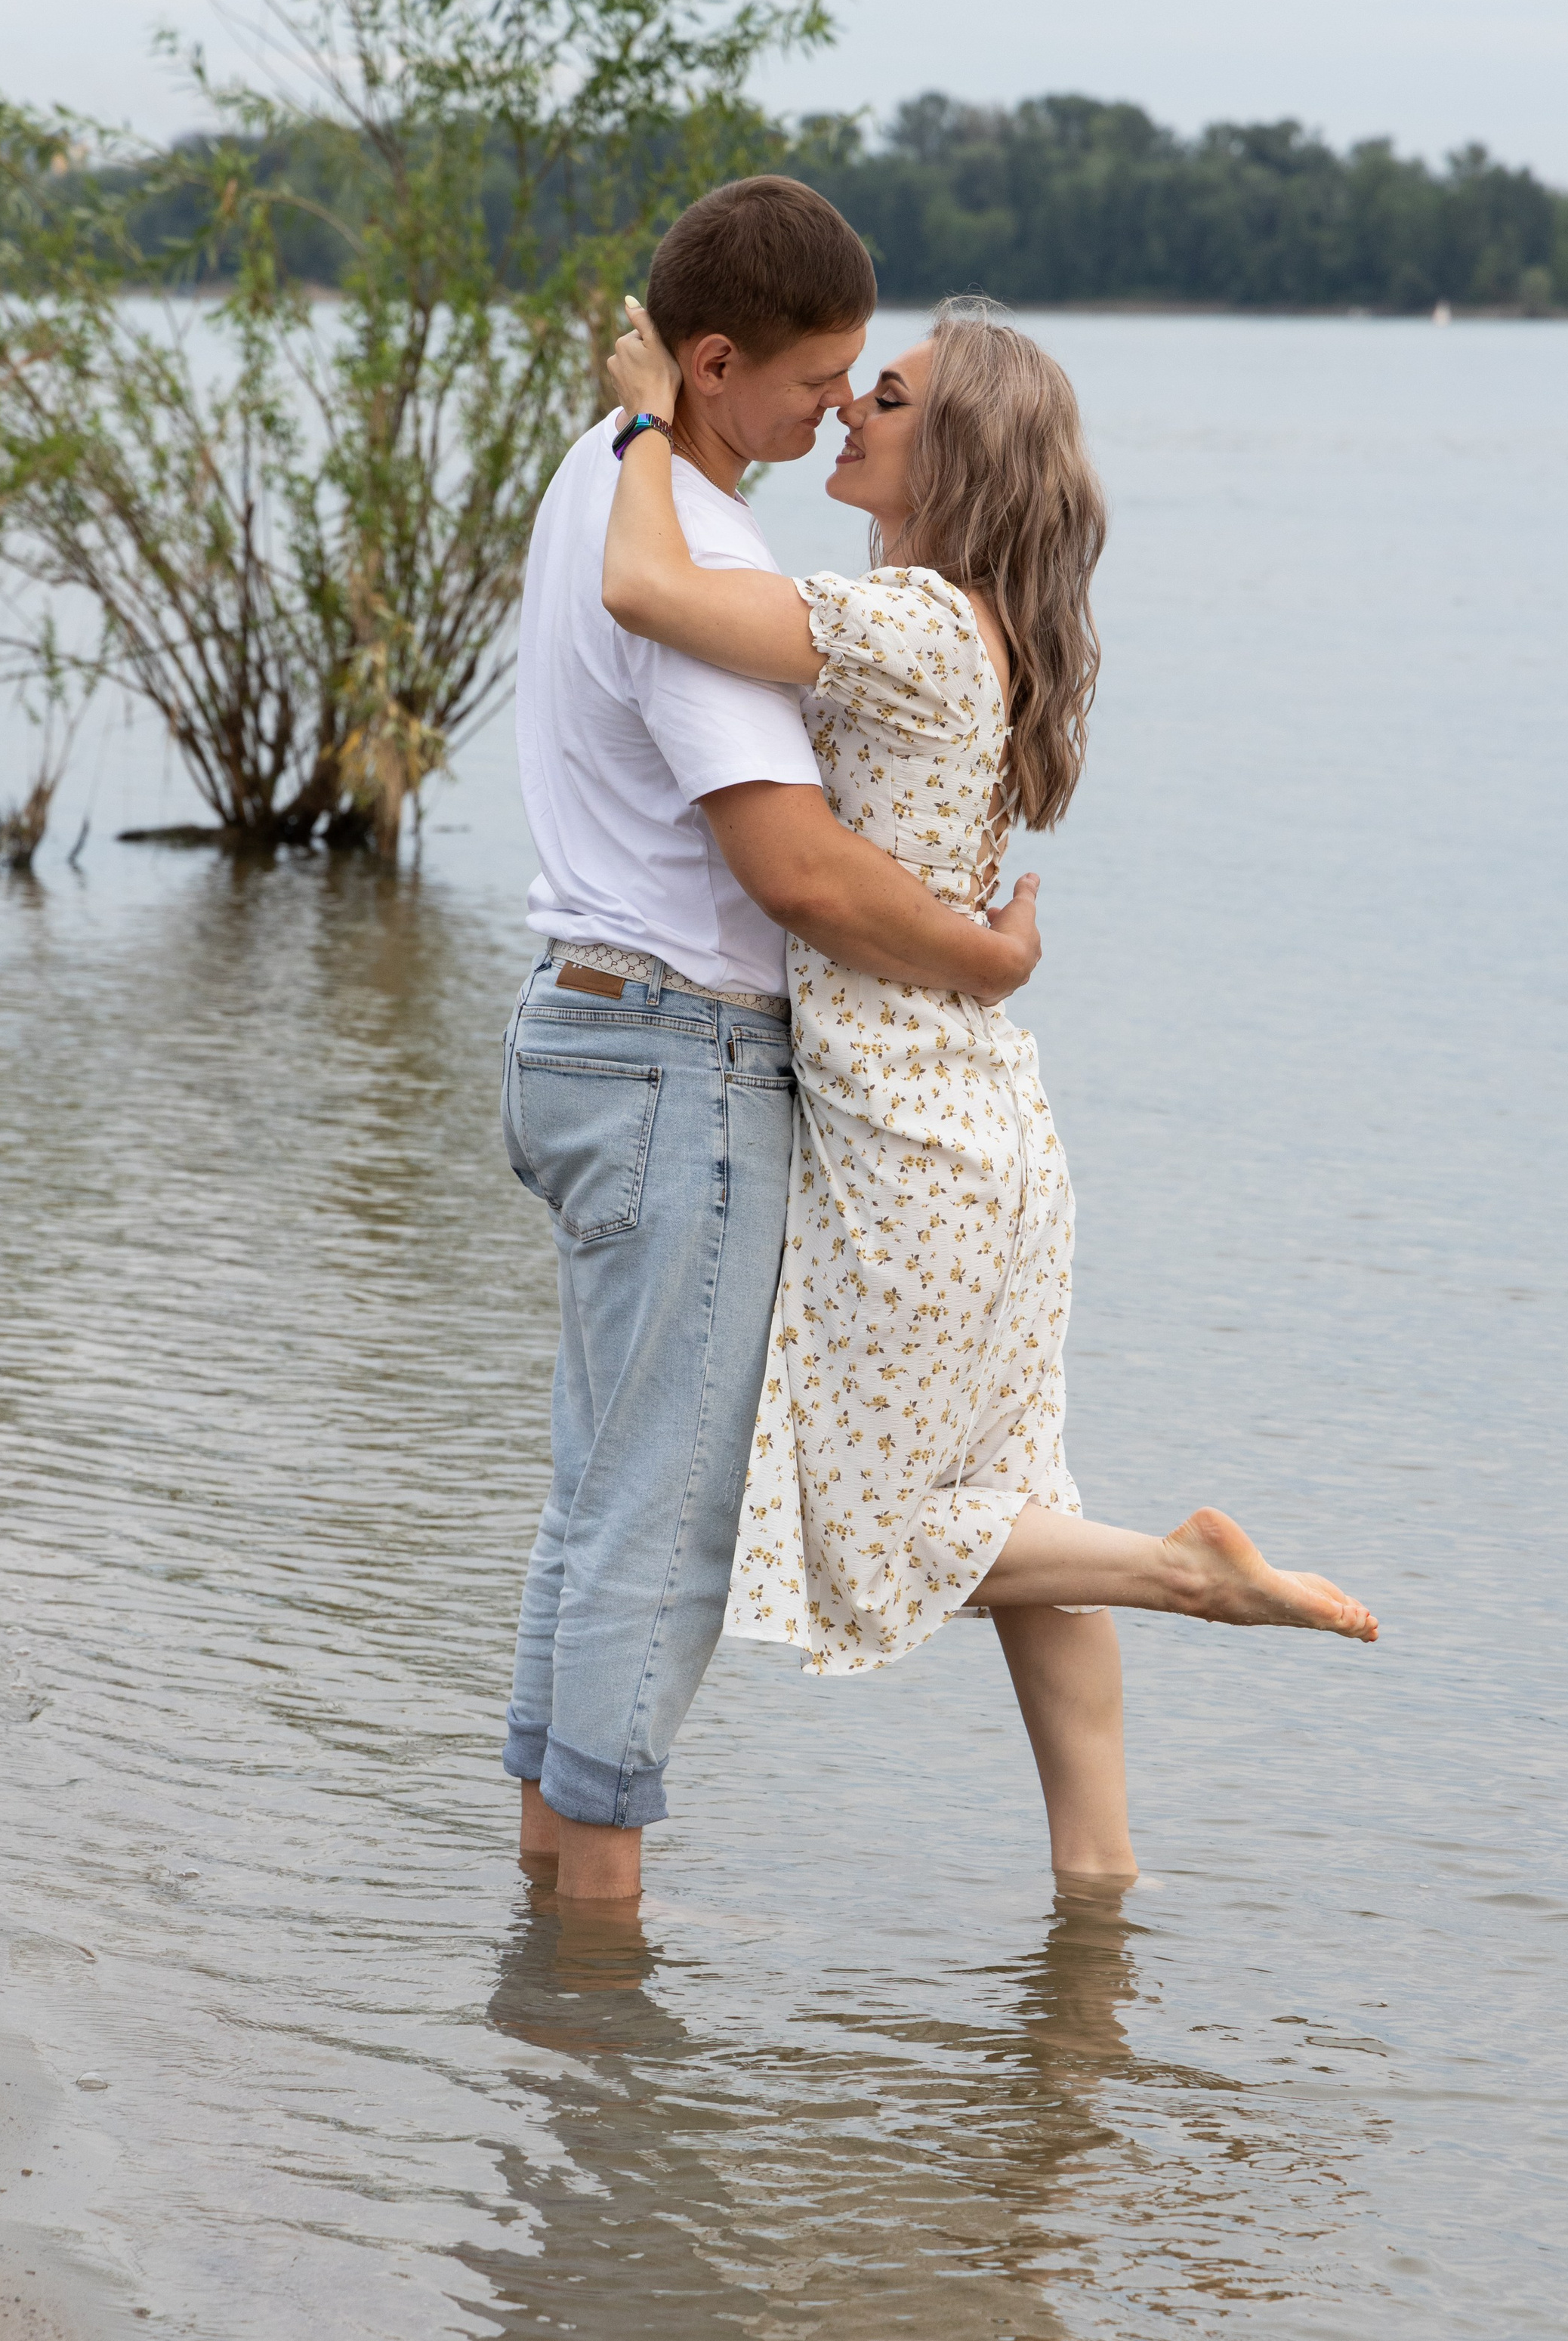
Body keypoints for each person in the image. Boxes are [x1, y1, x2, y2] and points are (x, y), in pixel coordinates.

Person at [600, 293, 1379, 1885]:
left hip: (904, 1150)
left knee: (875, 1534)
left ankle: (1185, 1572)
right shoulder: (993, 642)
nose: (844, 414)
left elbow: (642, 587)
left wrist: (638, 426)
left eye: (880, 398)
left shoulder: (904, 627)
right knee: (1022, 1505)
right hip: (997, 1136)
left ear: (951, 455)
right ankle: (1097, 1891)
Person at [502, 182, 1045, 1903]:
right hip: (678, 1056)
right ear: (718, 364)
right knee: (657, 1529)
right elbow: (796, 869)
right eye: (818, 380)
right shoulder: (707, 558)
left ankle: (546, 1892)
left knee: (598, 1499)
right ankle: (596, 1947)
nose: (838, 408)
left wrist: (639, 397)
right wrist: (977, 960)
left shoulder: (601, 470)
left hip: (586, 1031)